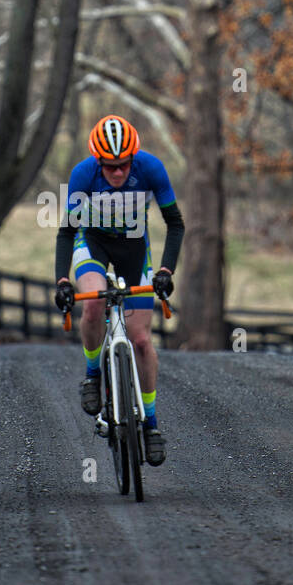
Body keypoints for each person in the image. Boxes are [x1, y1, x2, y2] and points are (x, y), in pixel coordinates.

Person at [53, 115, 183, 466]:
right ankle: (93, 375)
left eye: (123, 165)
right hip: (92, 244)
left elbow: (175, 224)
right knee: (93, 305)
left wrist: (166, 271)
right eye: (109, 167)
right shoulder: (83, 174)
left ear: (133, 158)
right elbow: (66, 232)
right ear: (98, 161)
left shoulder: (151, 168)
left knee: (141, 340)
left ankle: (152, 424)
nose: (117, 173)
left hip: (133, 249)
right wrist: (62, 281)